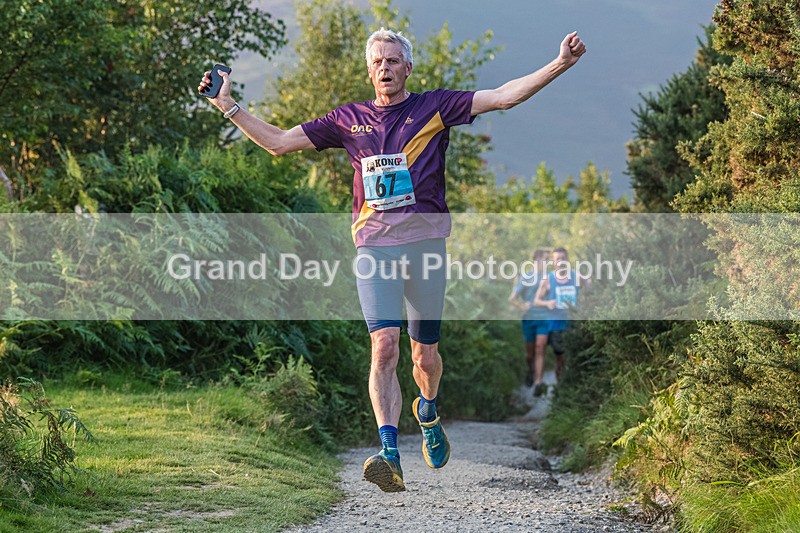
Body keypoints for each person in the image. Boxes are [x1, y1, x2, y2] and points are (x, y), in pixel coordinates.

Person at [198, 27, 586, 493]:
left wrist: (559, 64)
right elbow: (279, 142)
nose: (385, 67)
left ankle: (428, 409)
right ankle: (389, 453)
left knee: (425, 355)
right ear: (369, 69)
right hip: (375, 247)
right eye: (377, 61)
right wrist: (227, 104)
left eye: (393, 60)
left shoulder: (434, 108)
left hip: (425, 247)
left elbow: (502, 97)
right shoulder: (348, 120)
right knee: (383, 347)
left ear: (407, 67)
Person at [509, 248, 551, 396]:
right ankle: (530, 369)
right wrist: (522, 305)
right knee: (530, 354)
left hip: (544, 318)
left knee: (540, 348)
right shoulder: (526, 277)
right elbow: (512, 299)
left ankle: (538, 383)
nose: (548, 262)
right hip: (529, 319)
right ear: (537, 259)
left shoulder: (550, 277)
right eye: (546, 259)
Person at [535, 247, 579, 380]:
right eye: (557, 259)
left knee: (570, 355)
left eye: (563, 258)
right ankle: (560, 382)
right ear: (553, 262)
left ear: (568, 260)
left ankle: (568, 383)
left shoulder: (575, 276)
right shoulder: (548, 279)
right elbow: (536, 301)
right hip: (555, 323)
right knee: (560, 355)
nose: (561, 262)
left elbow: (590, 288)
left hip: (573, 321)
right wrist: (547, 303)